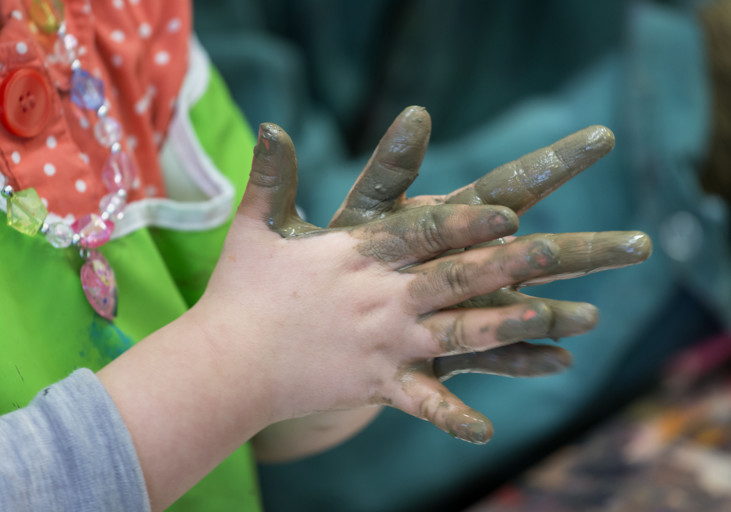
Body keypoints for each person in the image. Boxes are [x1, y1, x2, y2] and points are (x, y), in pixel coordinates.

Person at [0, 1, 651, 511]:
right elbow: (233, 370)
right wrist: (238, 365)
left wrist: (355, 347)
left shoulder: (126, 22)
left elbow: (255, 429)